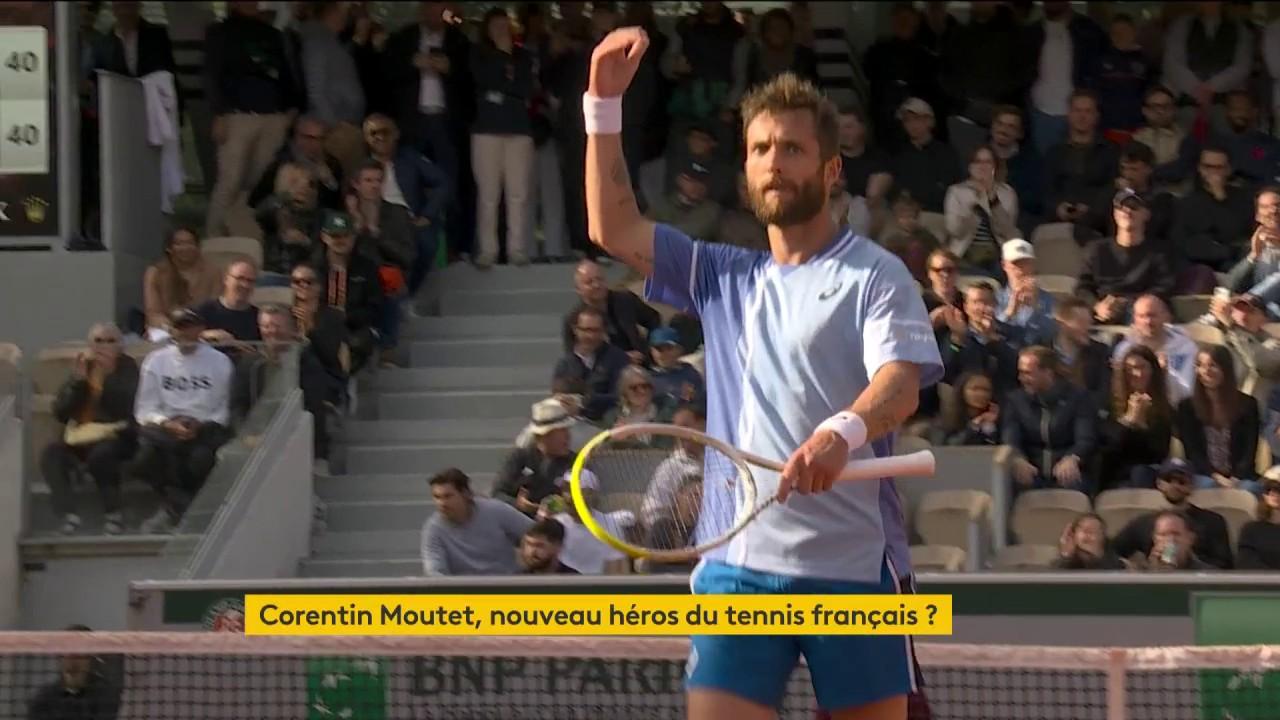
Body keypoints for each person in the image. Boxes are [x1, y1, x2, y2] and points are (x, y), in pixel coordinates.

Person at [583, 31, 943, 720]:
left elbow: (899, 386)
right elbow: (614, 226)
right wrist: (602, 104)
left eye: (792, 148)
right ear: (745, 171)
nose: (773, 163)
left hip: (854, 575)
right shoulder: (719, 274)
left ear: (831, 169)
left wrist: (841, 432)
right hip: (735, 573)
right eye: (759, 150)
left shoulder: (874, 273)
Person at [421, 468, 533, 576]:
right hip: (466, 591)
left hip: (508, 586)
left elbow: (537, 532)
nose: (442, 504)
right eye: (437, 497)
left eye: (448, 496)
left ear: (465, 494)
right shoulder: (433, 529)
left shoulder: (496, 510)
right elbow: (435, 571)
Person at [1052, 513, 1126, 570]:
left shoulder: (1117, 563)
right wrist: (1066, 555)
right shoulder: (1063, 562)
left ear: (1103, 537)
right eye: (1082, 529)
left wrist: (1097, 555)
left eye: (1093, 530)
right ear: (1073, 535)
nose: (1087, 534)